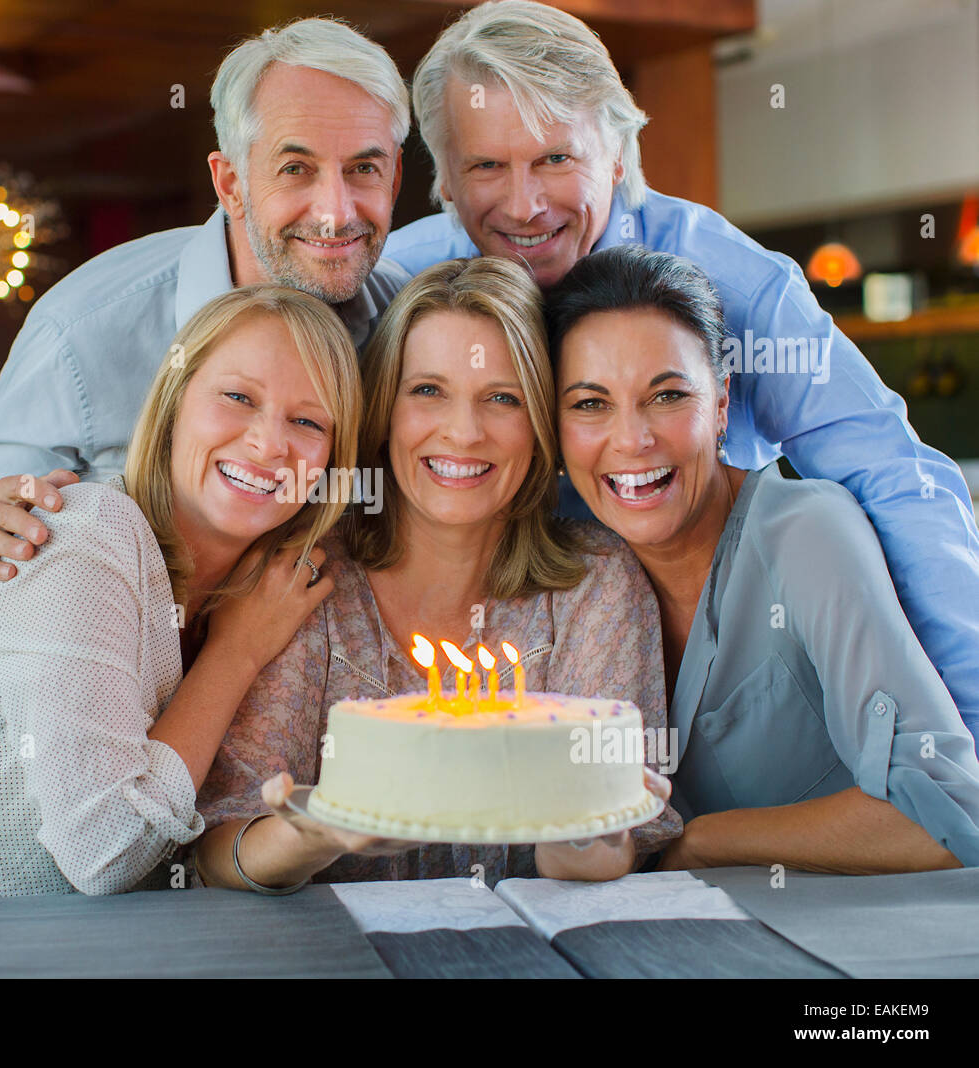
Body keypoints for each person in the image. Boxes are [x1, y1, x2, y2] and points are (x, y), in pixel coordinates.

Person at [383, 0, 979, 739]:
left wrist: (967, 736)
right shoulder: (399, 290)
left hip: (723, 688)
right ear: (443, 178)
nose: (525, 204)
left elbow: (895, 480)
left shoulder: (738, 285)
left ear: (620, 157)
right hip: (507, 694)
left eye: (556, 159)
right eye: (486, 167)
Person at [0, 285, 362, 901]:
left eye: (307, 420)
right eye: (237, 397)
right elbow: (107, 851)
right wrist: (235, 654)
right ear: (174, 401)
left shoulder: (270, 584)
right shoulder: (86, 533)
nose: (270, 444)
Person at [0, 17, 410, 636]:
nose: (336, 212)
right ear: (231, 183)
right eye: (296, 169)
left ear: (396, 178)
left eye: (363, 169)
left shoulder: (402, 321)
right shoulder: (89, 324)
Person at [189, 257, 681, 893]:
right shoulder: (301, 577)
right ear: (383, 407)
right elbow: (219, 849)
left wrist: (582, 831)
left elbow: (609, 853)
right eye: (427, 391)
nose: (463, 432)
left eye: (501, 398)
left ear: (539, 422)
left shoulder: (596, 585)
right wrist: (316, 833)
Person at [545, 244, 979, 873]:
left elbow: (944, 817)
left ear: (721, 403)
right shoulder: (572, 562)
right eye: (590, 404)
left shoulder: (804, 532)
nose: (633, 440)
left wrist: (695, 843)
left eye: (667, 396)